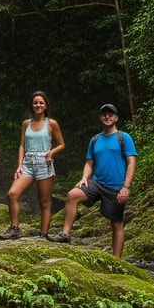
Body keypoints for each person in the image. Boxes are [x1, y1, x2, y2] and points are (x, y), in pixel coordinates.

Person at [51, 103, 137, 258]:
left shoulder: (124, 138)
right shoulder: (95, 140)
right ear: (100, 117)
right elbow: (89, 163)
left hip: (117, 187)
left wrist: (126, 187)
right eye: (104, 114)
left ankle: (117, 260)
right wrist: (84, 177)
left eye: (110, 114)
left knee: (116, 222)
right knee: (72, 195)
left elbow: (131, 163)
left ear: (116, 117)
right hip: (97, 182)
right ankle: (65, 234)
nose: (107, 116)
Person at [3, 91, 65, 240]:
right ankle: (15, 229)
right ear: (32, 105)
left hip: (44, 163)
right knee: (12, 194)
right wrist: (19, 165)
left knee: (44, 201)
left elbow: (62, 144)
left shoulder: (51, 123)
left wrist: (51, 152)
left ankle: (43, 235)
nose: (38, 105)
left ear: (45, 106)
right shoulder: (26, 123)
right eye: (35, 103)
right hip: (28, 163)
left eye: (41, 103)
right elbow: (22, 146)